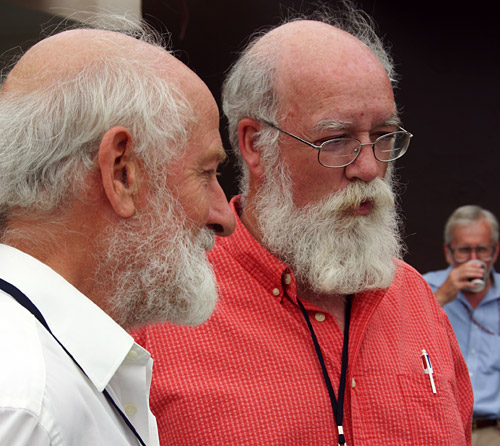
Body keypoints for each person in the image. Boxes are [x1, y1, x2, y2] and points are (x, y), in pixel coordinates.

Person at [132, 5, 473, 445]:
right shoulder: (160, 312)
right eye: (337, 140)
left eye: (384, 136)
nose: (369, 168)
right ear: (255, 145)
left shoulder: (416, 301)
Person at [0, 20, 235, 446]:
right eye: (207, 173)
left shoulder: (44, 372)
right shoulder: (26, 401)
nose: (224, 216)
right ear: (122, 172)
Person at [423, 205, 500, 445]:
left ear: (495, 252)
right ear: (449, 252)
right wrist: (445, 294)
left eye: (483, 250)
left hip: (493, 432)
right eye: (465, 251)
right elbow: (398, 339)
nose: (474, 260)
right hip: (442, 428)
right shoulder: (425, 288)